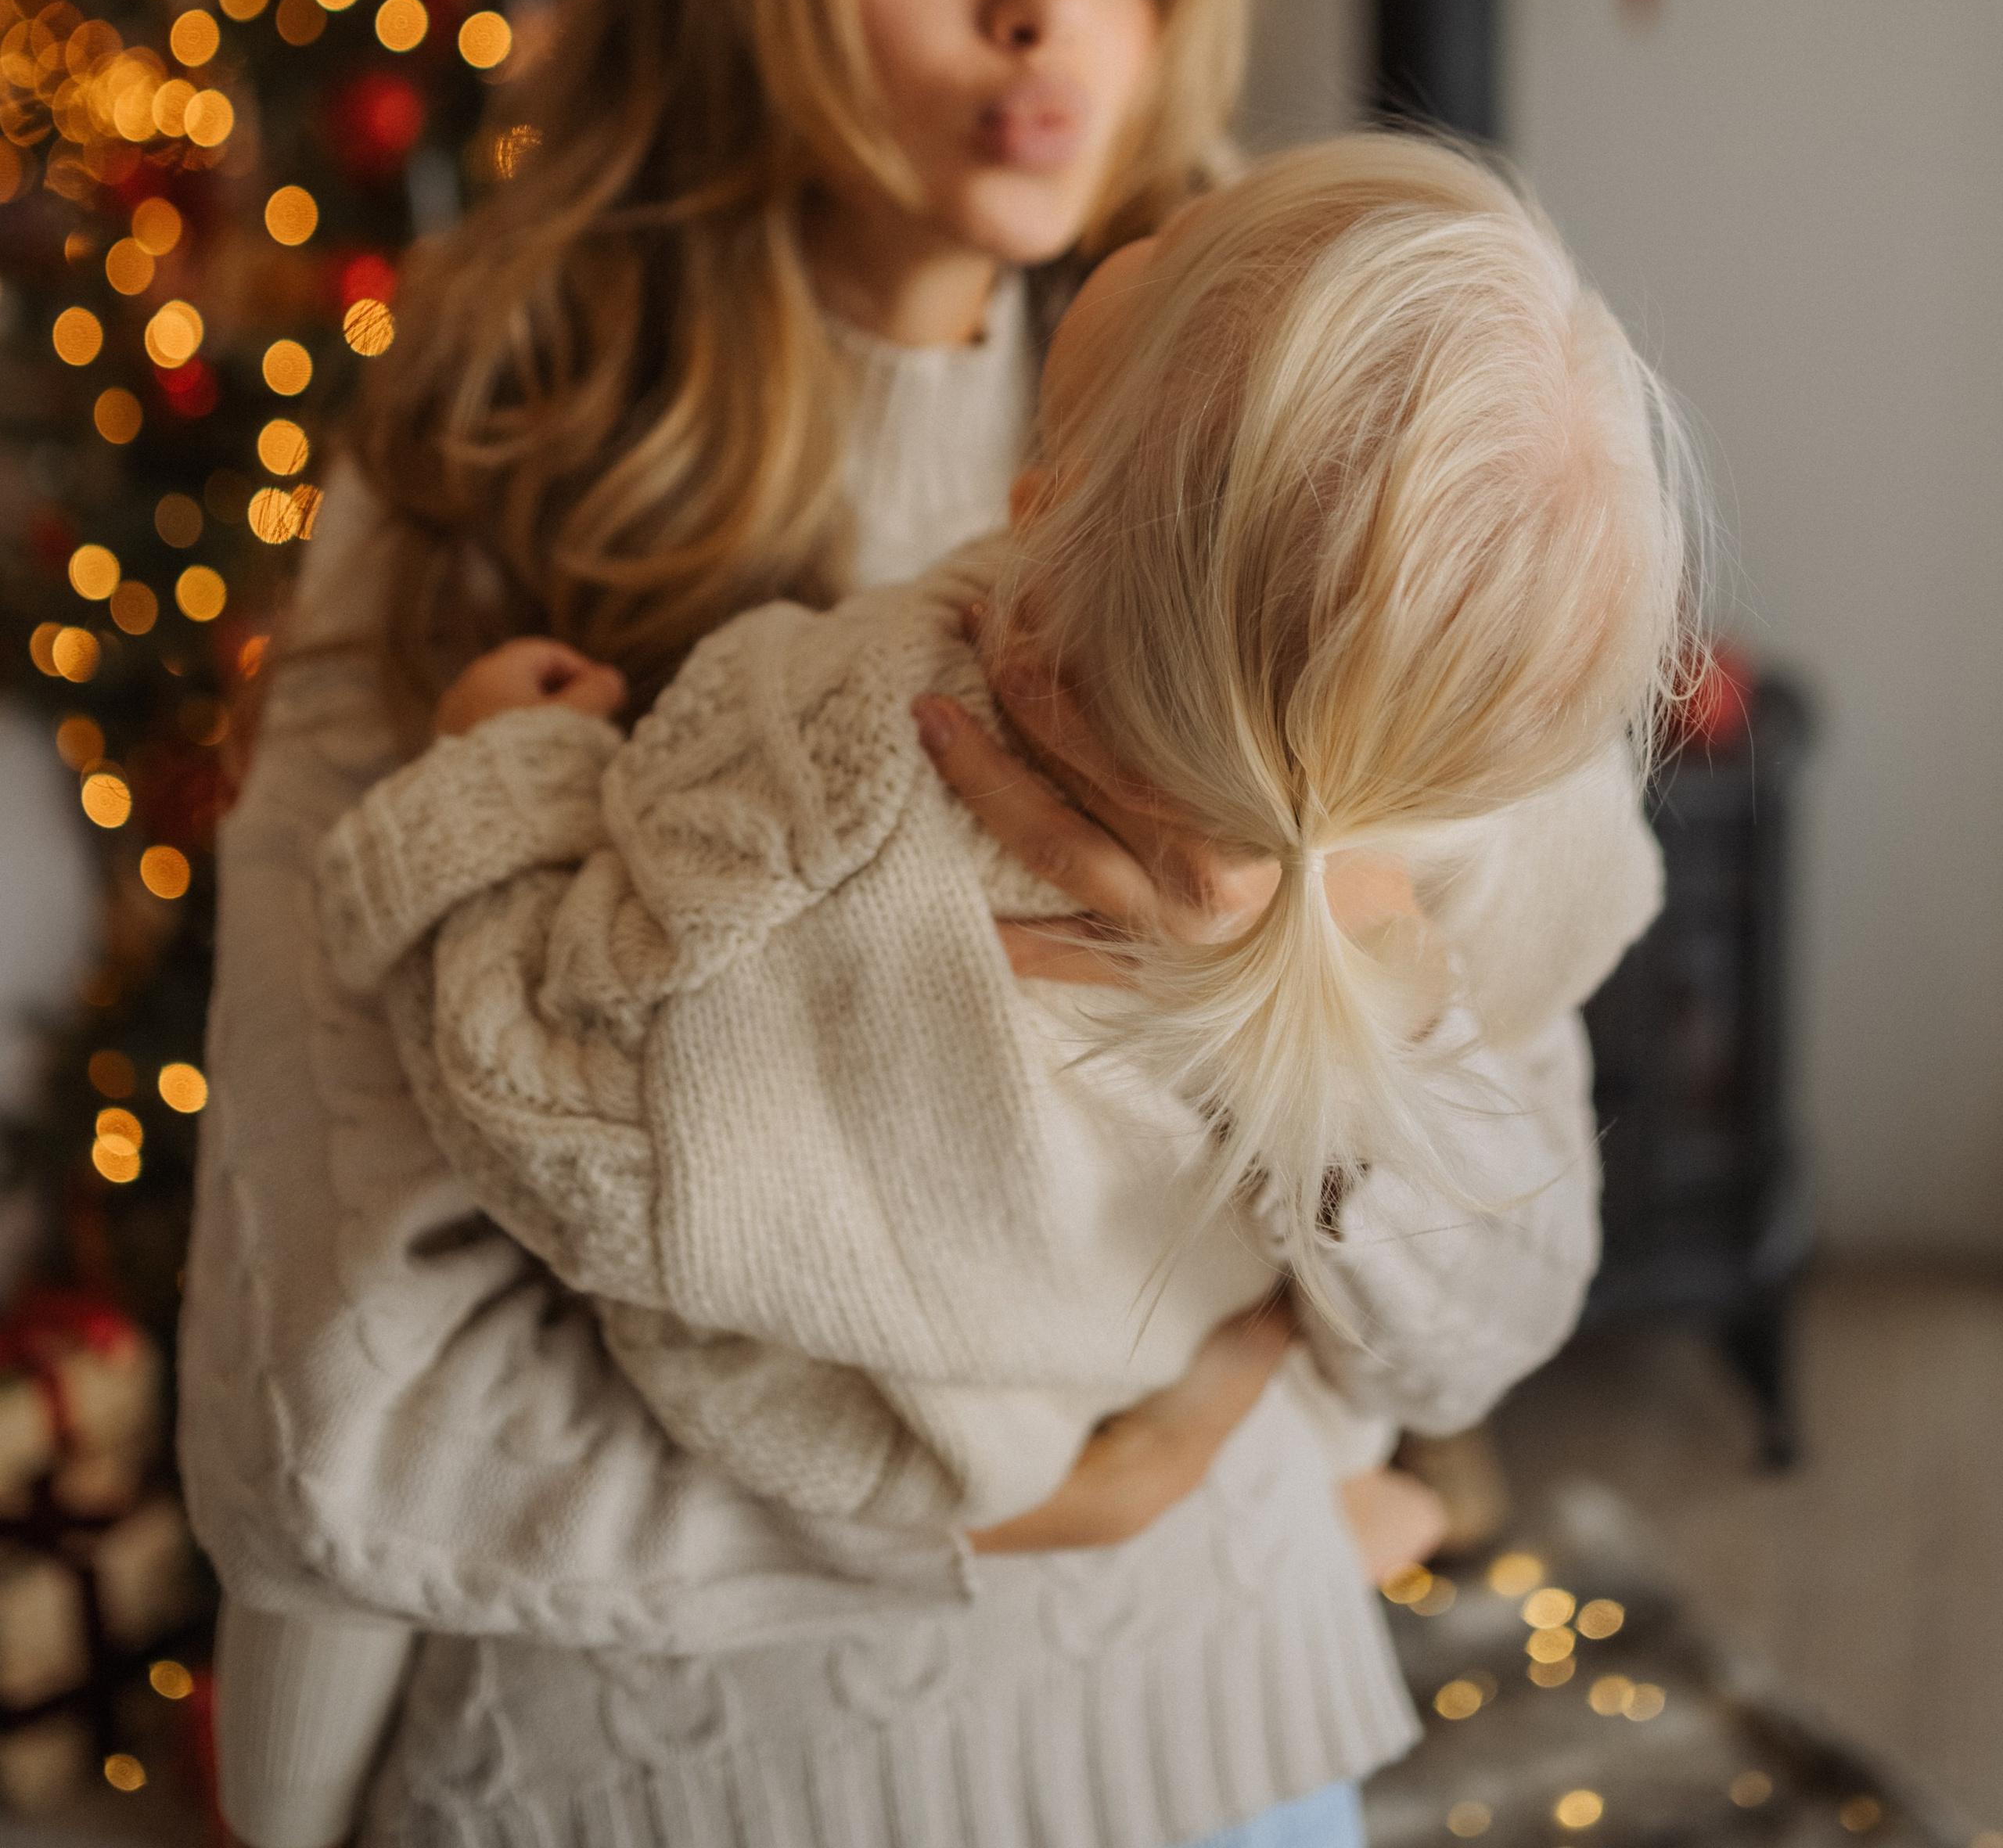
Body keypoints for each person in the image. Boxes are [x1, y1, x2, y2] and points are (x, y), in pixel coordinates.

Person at [174, 0, 1603, 1848]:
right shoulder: (478, 465)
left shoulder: (1307, 493)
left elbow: (1487, 1304)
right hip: (625, 1789)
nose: (1047, 5)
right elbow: (331, 1436)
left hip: (1217, 1756)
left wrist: (1295, 999)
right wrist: (1032, 1496)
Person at [314, 135, 1685, 1548]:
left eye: (1191, 242)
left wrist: (503, 776)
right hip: (1237, 1514)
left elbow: (554, 1098)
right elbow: (1503, 1201)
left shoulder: (851, 745)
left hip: (939, 1452)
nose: (1194, 186)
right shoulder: (1506, 799)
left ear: (1045, 500)